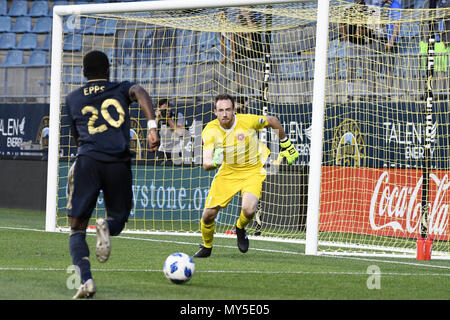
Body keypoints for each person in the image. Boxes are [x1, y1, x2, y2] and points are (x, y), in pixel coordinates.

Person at [64, 50, 159, 299]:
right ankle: (106, 225)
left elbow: (77, 139)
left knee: (77, 229)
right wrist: (151, 126)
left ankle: (85, 281)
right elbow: (140, 92)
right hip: (118, 161)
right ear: (108, 70)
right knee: (118, 219)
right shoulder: (119, 88)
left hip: (88, 161)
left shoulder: (72, 99)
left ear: (83, 73)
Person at [193, 93, 299, 258]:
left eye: (228, 109)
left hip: (253, 171)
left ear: (234, 110)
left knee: (249, 210)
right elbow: (206, 163)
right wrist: (215, 162)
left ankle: (240, 227)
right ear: (215, 112)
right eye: (221, 110)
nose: (225, 114)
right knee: (208, 216)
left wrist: (286, 144)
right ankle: (207, 247)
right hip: (228, 173)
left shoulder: (247, 121)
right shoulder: (210, 131)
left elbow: (272, 121)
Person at [155, 98, 184, 164]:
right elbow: (153, 132)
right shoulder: (158, 117)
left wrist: (168, 119)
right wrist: (157, 118)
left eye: (167, 107)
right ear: (159, 108)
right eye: (163, 108)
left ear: (170, 108)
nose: (166, 110)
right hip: (162, 150)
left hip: (176, 150)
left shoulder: (178, 115)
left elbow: (180, 132)